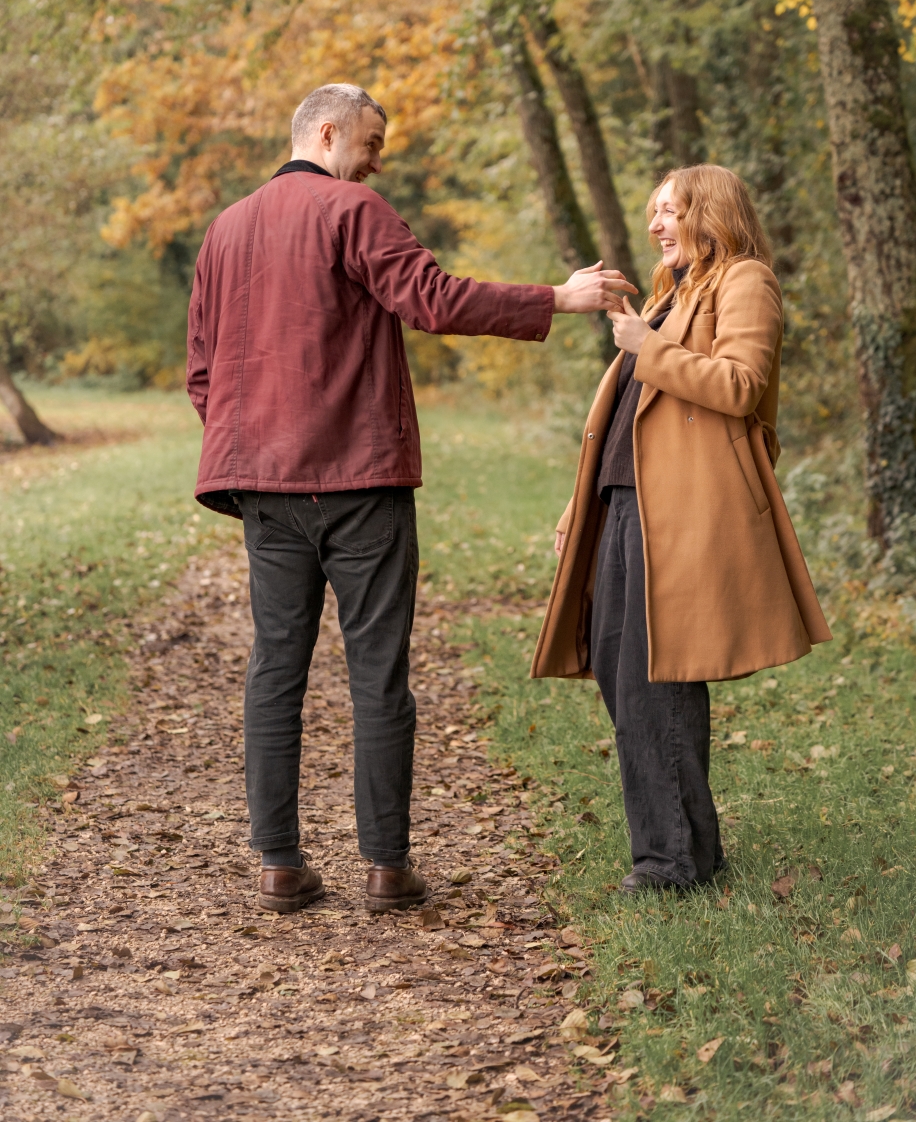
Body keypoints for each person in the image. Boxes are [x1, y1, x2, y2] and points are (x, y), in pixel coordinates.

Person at [186, 82, 636, 914]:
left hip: (263, 487)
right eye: (372, 142)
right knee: (377, 675)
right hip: (360, 483)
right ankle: (386, 869)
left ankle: (279, 864)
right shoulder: (354, 210)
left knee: (274, 671)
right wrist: (557, 298)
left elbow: (202, 372)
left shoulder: (225, 229)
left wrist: (256, 445)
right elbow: (432, 298)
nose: (378, 158)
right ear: (326, 132)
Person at [529, 164, 831, 893]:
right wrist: (583, 502)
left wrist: (646, 347)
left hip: (685, 511)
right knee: (621, 672)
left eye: (670, 211)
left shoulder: (744, 280)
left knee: (654, 680)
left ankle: (670, 864)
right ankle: (691, 849)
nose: (655, 225)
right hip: (627, 505)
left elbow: (740, 386)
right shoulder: (672, 296)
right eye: (654, 212)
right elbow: (630, 422)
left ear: (710, 213)